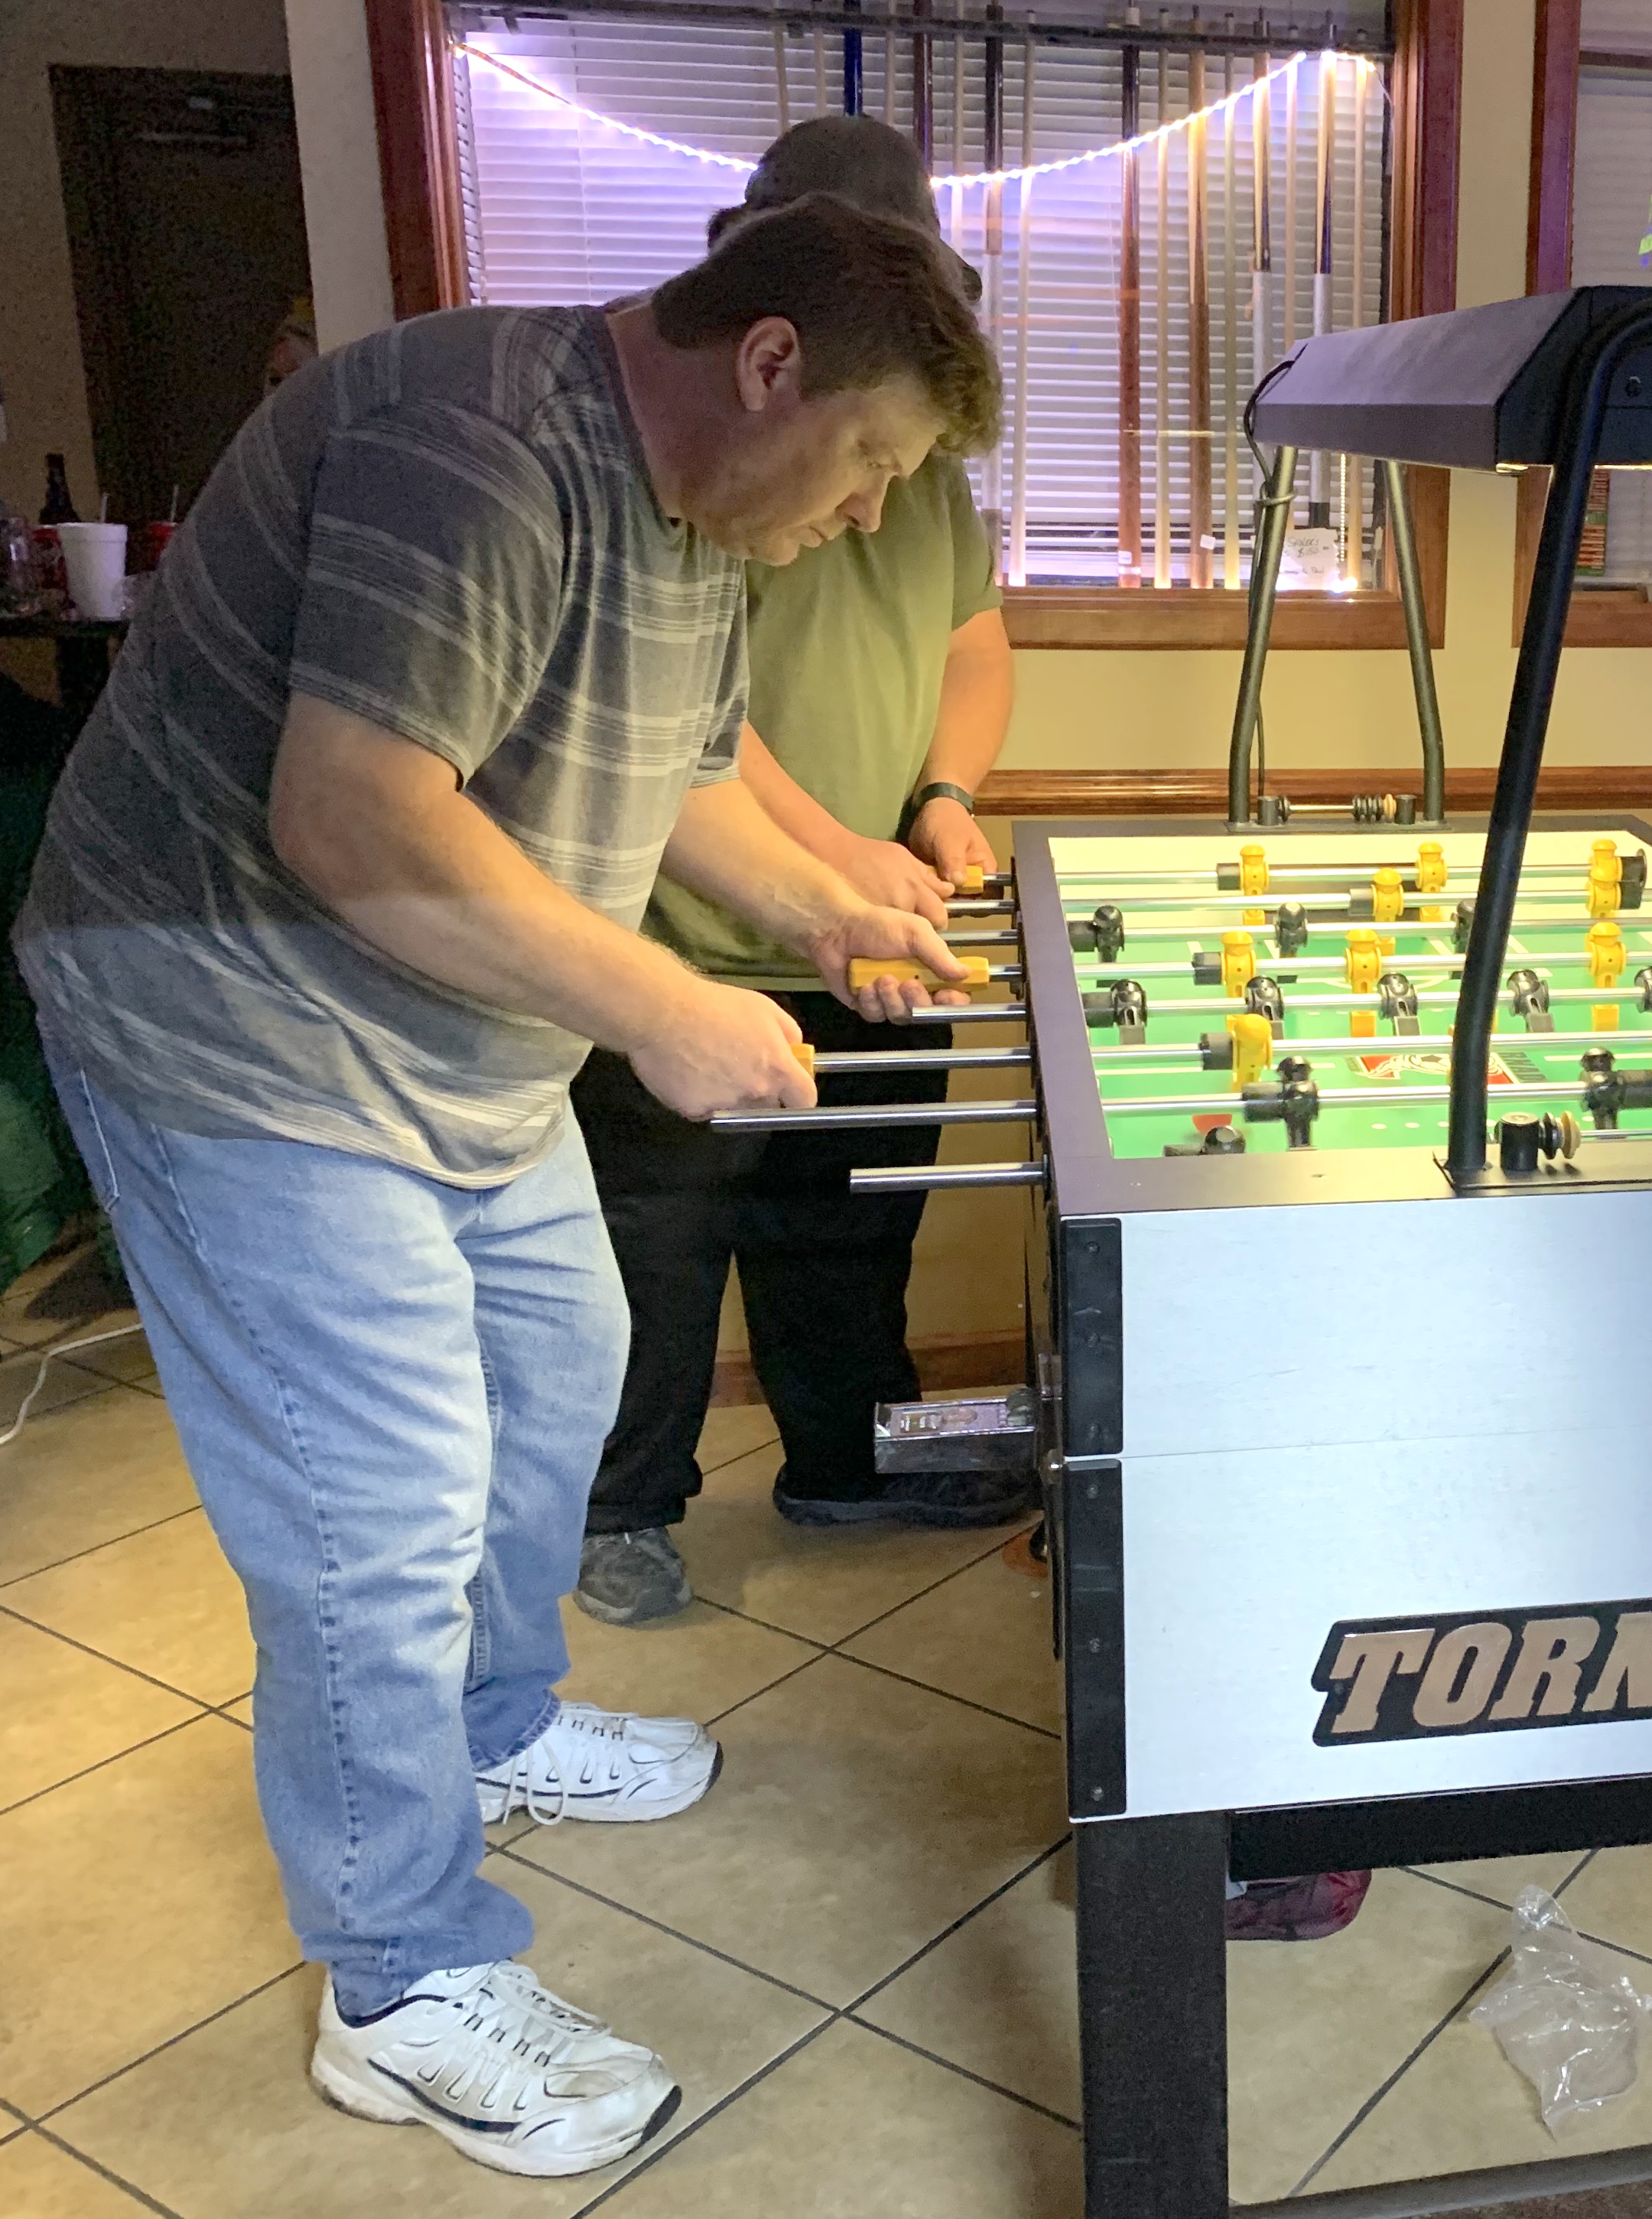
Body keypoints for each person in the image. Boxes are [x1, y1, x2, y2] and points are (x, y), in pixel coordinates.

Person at [14, 196, 997, 2175]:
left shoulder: (696, 511)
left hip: (446, 1042)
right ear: (772, 362)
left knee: (557, 1372)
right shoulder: (467, 442)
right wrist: (658, 1004)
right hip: (235, 1036)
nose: (878, 514)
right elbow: (354, 812)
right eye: (876, 461)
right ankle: (399, 1977)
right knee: (370, 1516)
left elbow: (687, 758)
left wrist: (829, 901)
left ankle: (484, 1715)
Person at [576, 119, 1021, 1628]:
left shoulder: (923, 469)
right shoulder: (698, 458)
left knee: (848, 1227)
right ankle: (618, 1509)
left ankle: (848, 1459)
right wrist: (844, 867)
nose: (874, 498)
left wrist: (945, 801)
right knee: (655, 1251)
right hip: (688, 936)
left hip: (878, 933)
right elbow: (691, 727)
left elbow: (973, 647)